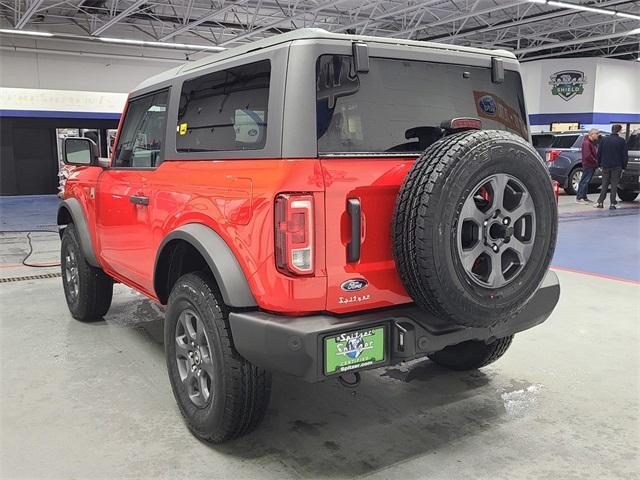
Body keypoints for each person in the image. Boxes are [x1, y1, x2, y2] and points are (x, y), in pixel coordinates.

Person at [595, 124, 628, 210]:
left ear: (611, 129)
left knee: (604, 184)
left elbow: (599, 153)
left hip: (605, 165)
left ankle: (600, 202)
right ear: (619, 131)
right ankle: (612, 203)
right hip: (617, 166)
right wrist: (624, 167)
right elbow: (624, 155)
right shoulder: (622, 141)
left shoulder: (604, 140)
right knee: (614, 185)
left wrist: (599, 164)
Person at [576, 128, 599, 203]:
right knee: (585, 181)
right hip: (588, 164)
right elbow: (587, 155)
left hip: (591, 165)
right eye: (596, 133)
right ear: (592, 134)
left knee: (587, 181)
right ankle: (579, 197)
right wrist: (595, 161)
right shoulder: (587, 143)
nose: (597, 135)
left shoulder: (592, 142)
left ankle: (584, 196)